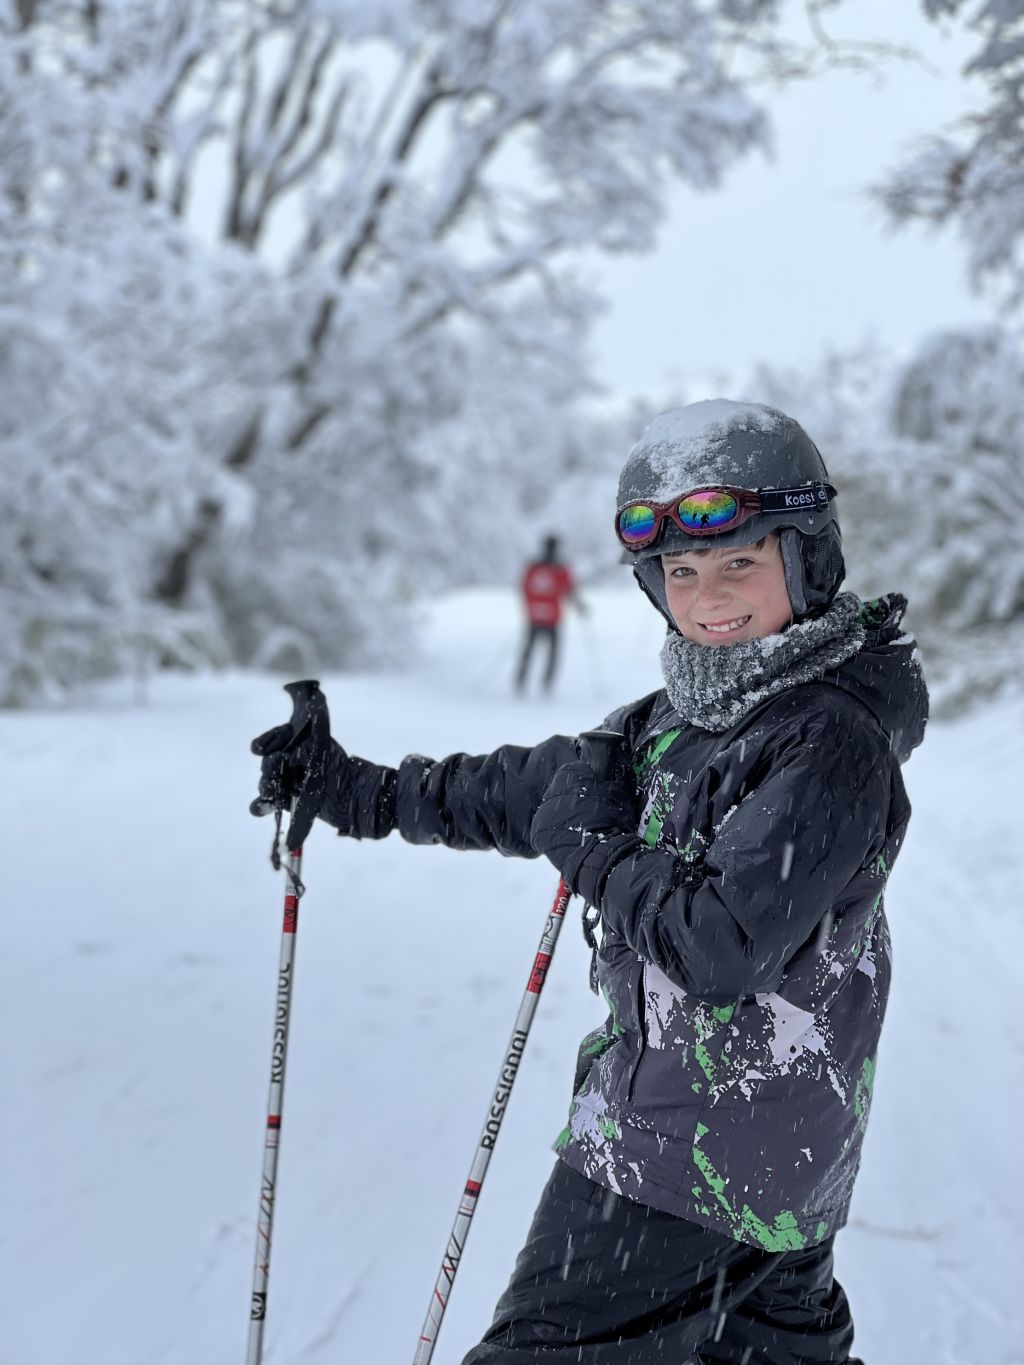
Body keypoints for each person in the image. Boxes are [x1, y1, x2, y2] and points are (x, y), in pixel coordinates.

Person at [250, 399, 928, 1364]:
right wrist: (351, 788)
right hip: (774, 1164)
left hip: (686, 1155)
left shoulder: (828, 739)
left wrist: (594, 850)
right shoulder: (683, 714)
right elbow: (527, 789)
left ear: (807, 558)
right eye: (681, 571)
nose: (708, 596)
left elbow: (722, 946)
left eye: (740, 562)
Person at [514, 533, 583, 694]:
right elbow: (569, 590)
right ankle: (546, 683)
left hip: (535, 615)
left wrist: (529, 607)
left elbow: (524, 588)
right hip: (552, 616)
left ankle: (521, 680)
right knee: (552, 652)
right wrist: (580, 606)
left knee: (529, 649)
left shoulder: (533, 566)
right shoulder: (560, 568)